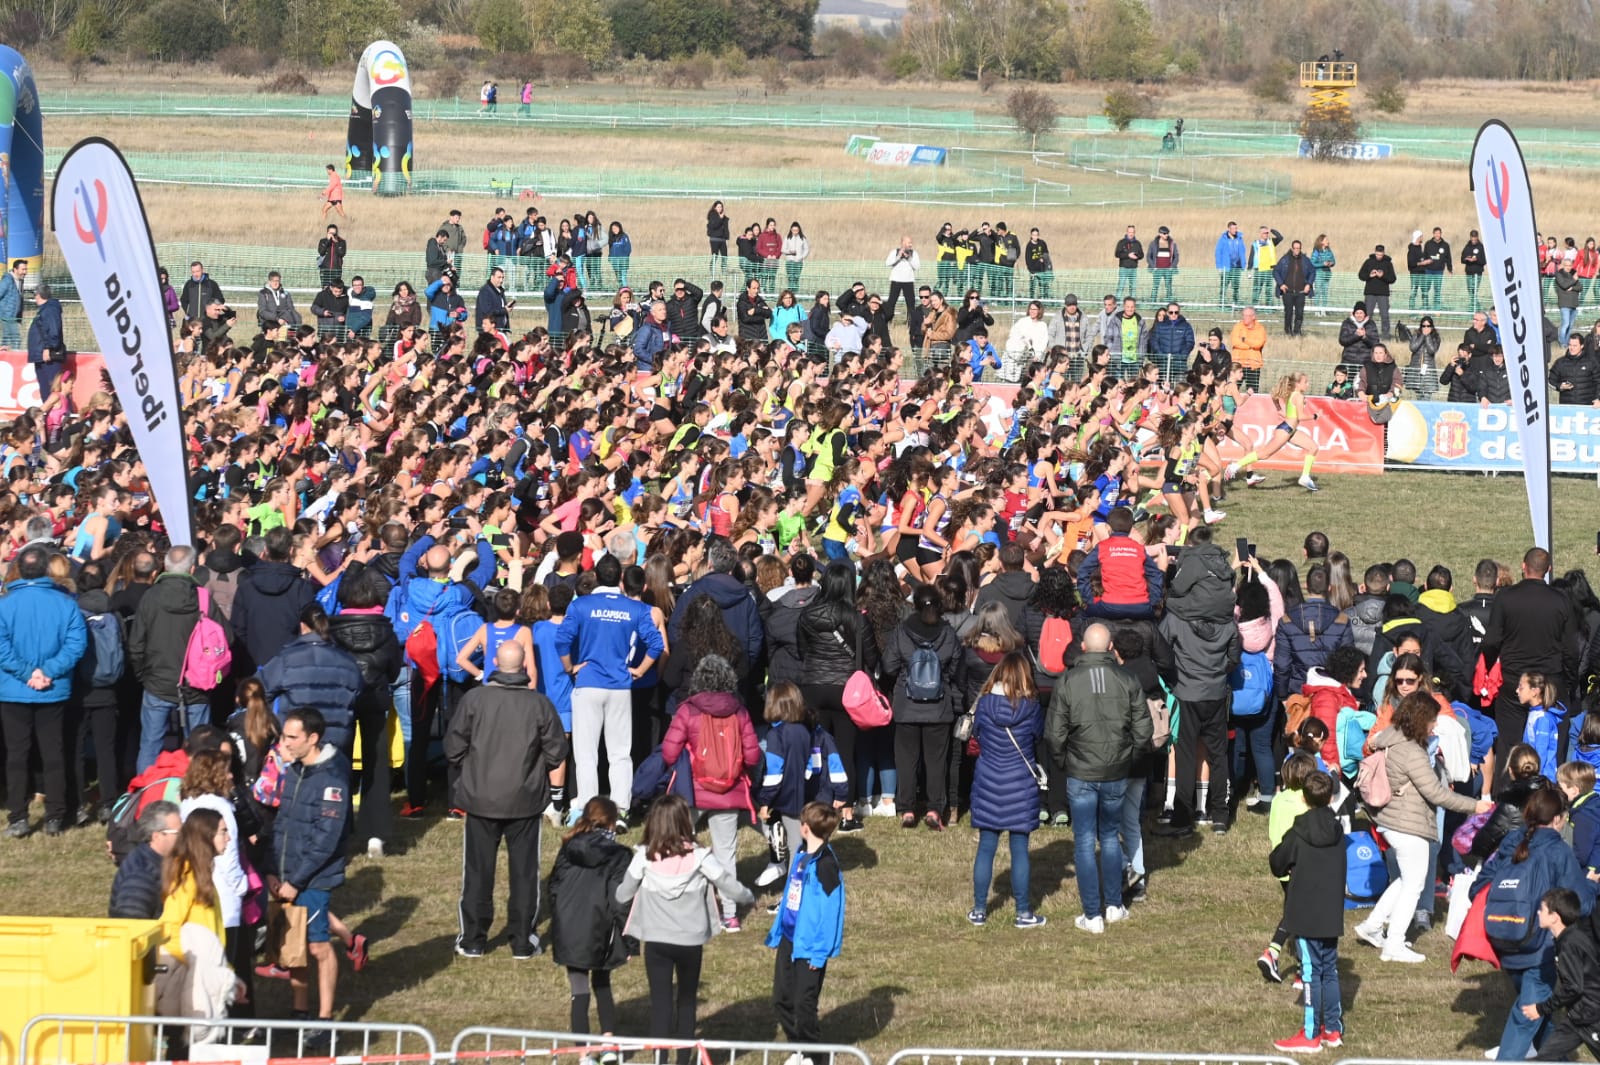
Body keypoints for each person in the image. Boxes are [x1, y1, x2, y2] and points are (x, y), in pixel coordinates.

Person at [446, 641, 569, 959]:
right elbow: (557, 751)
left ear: (494, 663)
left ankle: (474, 939)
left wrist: (473, 768)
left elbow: (453, 747)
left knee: (477, 870)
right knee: (525, 872)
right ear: (524, 664)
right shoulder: (538, 704)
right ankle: (521, 940)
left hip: (485, 797)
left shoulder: (478, 700)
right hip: (522, 799)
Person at [615, 794, 753, 1063]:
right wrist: (748, 896)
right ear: (684, 821)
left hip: (657, 941)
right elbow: (727, 883)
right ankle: (683, 1060)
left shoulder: (644, 857)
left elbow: (623, 894)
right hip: (690, 942)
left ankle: (660, 1060)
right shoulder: (700, 857)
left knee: (661, 1003)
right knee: (687, 1002)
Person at [1356, 693, 1492, 963]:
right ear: (1420, 720)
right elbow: (1437, 794)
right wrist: (1475, 806)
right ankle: (1394, 944)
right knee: (1414, 885)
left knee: (1404, 880)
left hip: (1393, 821)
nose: (1434, 727)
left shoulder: (1392, 739)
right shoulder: (1412, 752)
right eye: (1432, 721)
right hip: (1409, 824)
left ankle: (1371, 927)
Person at [1474, 784, 1598, 1060]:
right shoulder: (1558, 851)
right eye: (1564, 817)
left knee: (1541, 1011)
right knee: (1526, 1015)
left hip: (1504, 938)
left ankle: (1557, 1059)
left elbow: (1480, 886)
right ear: (1557, 819)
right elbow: (1582, 904)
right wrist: (1591, 885)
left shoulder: (1511, 842)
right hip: (1540, 949)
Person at [1049, 623, 1153, 932]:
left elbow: (1054, 735)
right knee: (1108, 837)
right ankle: (1111, 906)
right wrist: (1126, 758)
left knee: (1086, 840)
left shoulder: (1068, 681)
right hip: (1109, 770)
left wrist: (1066, 762)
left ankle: (1096, 912)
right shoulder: (1126, 679)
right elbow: (1143, 730)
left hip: (1087, 769)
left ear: (1083, 647)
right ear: (1110, 648)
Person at [556, 553, 664, 822]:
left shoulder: (581, 605)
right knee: (620, 752)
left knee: (586, 752)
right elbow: (657, 644)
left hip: (589, 683)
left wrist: (570, 667)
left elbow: (562, 641)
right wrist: (640, 670)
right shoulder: (636, 608)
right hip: (619, 685)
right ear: (620, 579)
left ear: (595, 576)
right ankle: (621, 809)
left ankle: (588, 809)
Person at [266, 708, 352, 1041]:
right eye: (284, 735)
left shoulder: (332, 780)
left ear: (312, 739)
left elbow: (325, 840)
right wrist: (273, 872)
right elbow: (282, 825)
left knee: (318, 947)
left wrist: (295, 882)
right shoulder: (293, 771)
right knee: (294, 946)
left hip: (312, 879)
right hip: (285, 877)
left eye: (291, 737)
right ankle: (299, 1012)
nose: (284, 743)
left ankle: (325, 1018)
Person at [659, 654, 760, 930]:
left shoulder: (688, 710)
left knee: (680, 845)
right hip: (730, 792)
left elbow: (668, 751)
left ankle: (679, 907)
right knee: (726, 853)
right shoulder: (739, 711)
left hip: (693, 791)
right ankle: (730, 914)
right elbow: (752, 757)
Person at [0, 544, 89, 838]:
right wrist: (43, 672)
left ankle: (18, 816)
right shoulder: (65, 604)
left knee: (17, 754)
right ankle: (55, 815)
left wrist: (37, 672)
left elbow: (3, 649)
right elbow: (75, 644)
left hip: (18, 688)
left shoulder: (6, 604)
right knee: (54, 753)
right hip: (48, 687)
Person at [1270, 769, 1349, 1053]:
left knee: (1311, 973)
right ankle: (1333, 1029)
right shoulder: (1339, 831)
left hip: (1304, 911)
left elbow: (1277, 862)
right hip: (1330, 911)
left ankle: (1311, 1033)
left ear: (1304, 798)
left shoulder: (1298, 831)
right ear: (1330, 797)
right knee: (1329, 970)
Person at [968, 651, 1045, 927]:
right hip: (1021, 785)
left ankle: (979, 910)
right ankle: (1023, 912)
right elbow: (1038, 736)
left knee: (986, 847)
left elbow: (976, 735)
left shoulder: (985, 703)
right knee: (1020, 850)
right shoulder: (1032, 707)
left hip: (988, 781)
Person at [1483, 548, 1580, 768]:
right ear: (1548, 570)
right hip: (1550, 682)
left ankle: (1507, 793)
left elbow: (1491, 641)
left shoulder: (1505, 597)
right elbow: (1571, 649)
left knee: (1510, 746)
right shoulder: (1561, 600)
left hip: (1514, 681)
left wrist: (1491, 665)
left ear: (1523, 566)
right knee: (1552, 748)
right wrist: (1568, 681)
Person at [881, 584, 965, 831]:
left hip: (906, 705)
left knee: (906, 760)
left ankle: (907, 809)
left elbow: (888, 666)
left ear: (915, 605)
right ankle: (933, 809)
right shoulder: (948, 633)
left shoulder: (901, 632)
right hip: (938, 706)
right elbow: (956, 668)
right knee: (936, 761)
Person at [549, 796, 632, 1035]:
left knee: (579, 991)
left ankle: (584, 1054)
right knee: (602, 984)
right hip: (601, 926)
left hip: (569, 926)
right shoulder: (619, 854)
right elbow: (620, 899)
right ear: (611, 823)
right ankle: (608, 1044)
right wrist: (628, 940)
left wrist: (559, 920)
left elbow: (553, 887)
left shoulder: (568, 846)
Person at [765, 802, 845, 1047]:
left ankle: (813, 1055)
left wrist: (819, 955)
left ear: (806, 828)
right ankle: (797, 1047)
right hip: (790, 939)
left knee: (804, 1004)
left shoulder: (826, 866)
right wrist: (778, 930)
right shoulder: (801, 854)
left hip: (810, 947)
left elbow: (831, 914)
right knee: (781, 999)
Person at [1528, 887, 1600, 1062]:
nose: (1538, 913)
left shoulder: (1569, 944)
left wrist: (1541, 1009)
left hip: (1592, 1017)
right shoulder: (1569, 938)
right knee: (1543, 1060)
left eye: (1542, 909)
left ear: (1554, 917)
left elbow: (1573, 987)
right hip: (1576, 1019)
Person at [110, 800, 183, 919]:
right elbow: (132, 924)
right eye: (178, 833)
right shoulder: (141, 874)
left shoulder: (161, 862)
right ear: (157, 836)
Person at [26, 283, 65, 399]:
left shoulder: (50, 309)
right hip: (40, 356)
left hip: (48, 356)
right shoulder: (45, 310)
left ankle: (62, 414)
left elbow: (53, 331)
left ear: (38, 295)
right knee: (45, 389)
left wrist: (48, 348)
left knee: (54, 388)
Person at [1274, 239, 1314, 337]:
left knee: (1299, 313)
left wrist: (1308, 284)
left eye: (1298, 248)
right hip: (1288, 292)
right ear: (1292, 249)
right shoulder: (1285, 259)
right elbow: (1276, 271)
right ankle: (1288, 332)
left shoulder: (1305, 260)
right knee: (1288, 313)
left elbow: (1312, 272)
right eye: (1295, 248)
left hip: (1301, 292)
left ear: (1300, 249)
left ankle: (1297, 332)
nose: (1297, 250)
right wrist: (1281, 284)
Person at [1356, 244, 1397, 340]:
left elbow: (1393, 279)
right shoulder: (1368, 262)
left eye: (1381, 255)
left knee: (1385, 316)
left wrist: (1382, 275)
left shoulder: (1388, 264)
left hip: (1383, 294)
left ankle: (1386, 336)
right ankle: (1366, 334)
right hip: (1370, 293)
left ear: (1383, 253)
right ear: (1375, 252)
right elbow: (1361, 275)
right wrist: (1369, 275)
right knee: (1367, 315)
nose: (1379, 256)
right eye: (1377, 254)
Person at [0, 258, 26, 348]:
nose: (25, 272)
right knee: (16, 339)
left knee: (6, 340)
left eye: (26, 269)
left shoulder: (20, 281)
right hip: (7, 316)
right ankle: (17, 358)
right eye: (23, 269)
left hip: (13, 316)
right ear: (15, 269)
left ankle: (2, 359)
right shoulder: (7, 281)